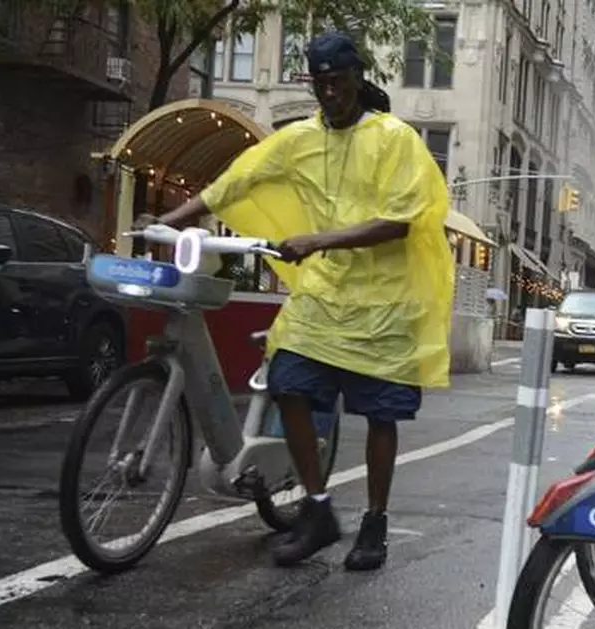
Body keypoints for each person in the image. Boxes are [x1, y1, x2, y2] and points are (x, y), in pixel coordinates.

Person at [132, 32, 453, 571]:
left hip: (387, 301)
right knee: (289, 385)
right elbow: (234, 182)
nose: (330, 93)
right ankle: (318, 508)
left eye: (339, 81)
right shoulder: (299, 138)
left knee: (378, 415)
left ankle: (375, 522)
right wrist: (163, 223)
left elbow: (401, 221)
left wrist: (317, 241)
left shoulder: (395, 138)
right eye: (321, 83)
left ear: (357, 78)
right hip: (325, 295)